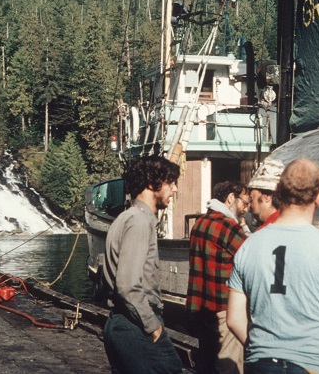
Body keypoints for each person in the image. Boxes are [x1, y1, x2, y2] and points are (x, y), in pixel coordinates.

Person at [227, 158, 319, 374]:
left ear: (279, 193)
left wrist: (261, 349)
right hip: (314, 365)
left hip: (261, 364)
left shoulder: (249, 246)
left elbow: (234, 319)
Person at [102, 155, 183, 374]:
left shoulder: (125, 218)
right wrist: (152, 325)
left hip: (122, 323)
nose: (174, 189)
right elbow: (127, 285)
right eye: (170, 182)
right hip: (136, 325)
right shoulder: (139, 221)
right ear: (151, 183)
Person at [186, 180, 249, 374]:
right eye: (244, 203)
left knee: (207, 362)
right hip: (225, 309)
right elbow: (252, 255)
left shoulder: (200, 223)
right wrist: (244, 226)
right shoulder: (229, 226)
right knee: (229, 366)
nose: (246, 209)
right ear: (231, 198)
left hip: (202, 307)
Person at [247, 158, 284, 231]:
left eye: (252, 199)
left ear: (267, 197)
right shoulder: (289, 222)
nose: (249, 206)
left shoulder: (266, 231)